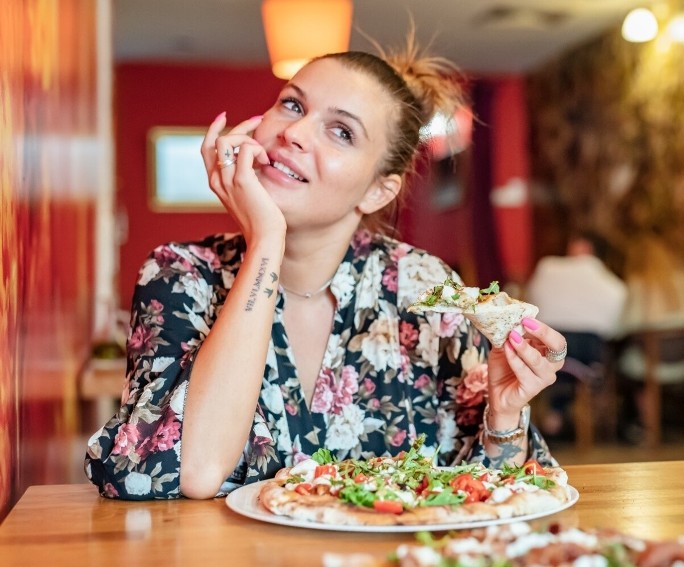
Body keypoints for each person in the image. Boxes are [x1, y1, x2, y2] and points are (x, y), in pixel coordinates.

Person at [84, 42, 568, 500]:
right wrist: (266, 242)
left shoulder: (423, 290)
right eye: (293, 105)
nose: (293, 132)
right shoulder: (180, 275)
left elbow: (499, 493)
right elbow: (191, 470)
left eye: (342, 132)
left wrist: (503, 415)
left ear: (377, 192)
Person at [524, 232, 627, 436]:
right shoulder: (613, 285)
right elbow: (613, 328)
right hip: (588, 353)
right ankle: (584, 419)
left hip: (546, 350)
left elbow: (531, 306)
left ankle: (555, 415)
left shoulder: (547, 268)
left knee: (557, 354)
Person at [615, 233, 684, 442]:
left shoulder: (638, 285)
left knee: (625, 365)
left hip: (651, 362)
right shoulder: (683, 281)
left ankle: (645, 427)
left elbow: (624, 325)